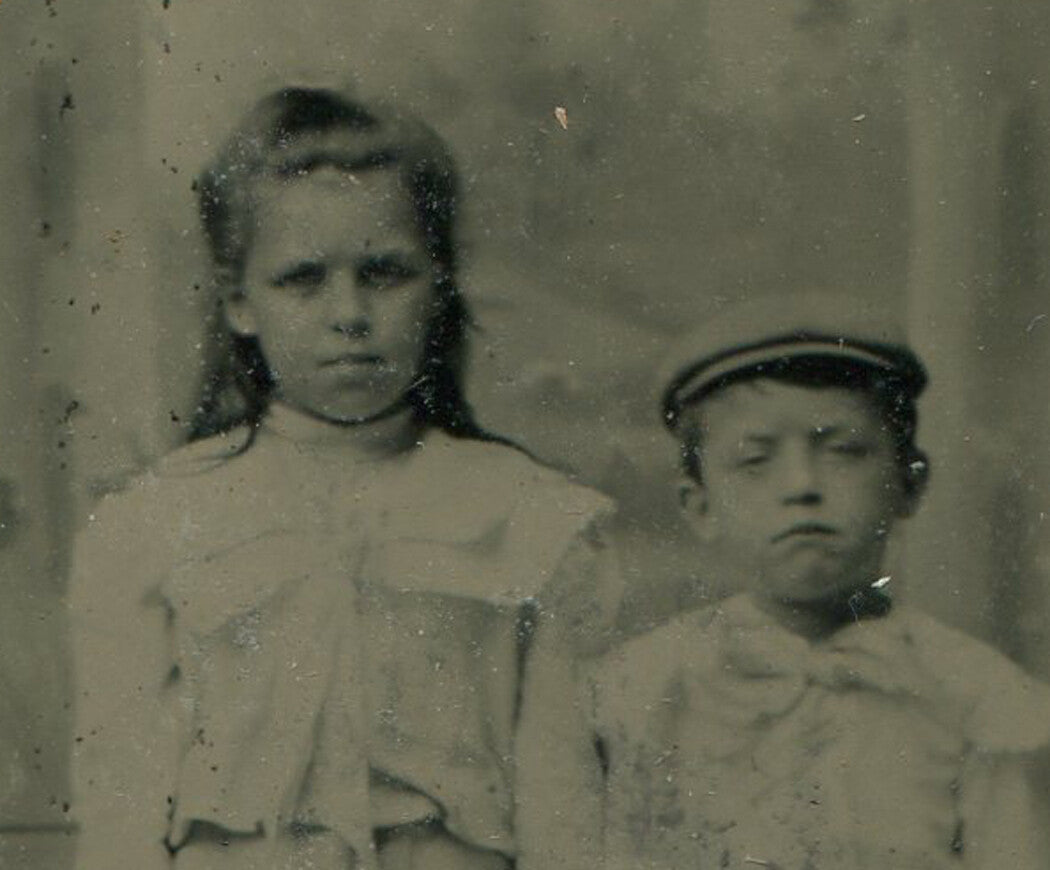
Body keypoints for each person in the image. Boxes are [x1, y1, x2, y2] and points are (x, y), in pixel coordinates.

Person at [68, 86, 621, 870]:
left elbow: (566, 809)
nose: (349, 313)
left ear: (438, 288)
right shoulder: (152, 523)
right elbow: (119, 803)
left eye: (386, 273)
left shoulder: (532, 518)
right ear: (239, 304)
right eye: (301, 279)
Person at [580, 293, 1050, 869]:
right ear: (698, 506)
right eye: (756, 460)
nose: (801, 484)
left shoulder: (984, 702)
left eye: (844, 451)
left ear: (909, 484)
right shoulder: (634, 691)